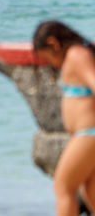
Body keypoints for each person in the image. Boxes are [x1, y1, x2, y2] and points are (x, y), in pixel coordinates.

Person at [33, 20, 95, 216]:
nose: (49, 63)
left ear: (54, 43)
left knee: (63, 187)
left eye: (47, 57)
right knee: (90, 190)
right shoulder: (75, 55)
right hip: (85, 134)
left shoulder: (77, 54)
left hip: (89, 134)